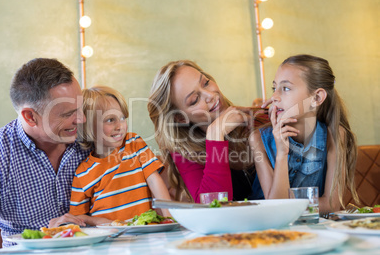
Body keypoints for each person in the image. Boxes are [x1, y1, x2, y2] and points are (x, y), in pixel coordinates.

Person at [0, 58, 90, 255]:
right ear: (30, 116)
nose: (81, 119)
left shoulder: (90, 139)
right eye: (68, 114)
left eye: (80, 108)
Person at [249, 54, 358, 214]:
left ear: (317, 97)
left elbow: (331, 205)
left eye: (285, 88)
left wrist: (290, 205)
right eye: (274, 88)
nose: (274, 97)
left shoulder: (335, 135)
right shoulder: (258, 138)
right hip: (267, 228)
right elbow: (275, 208)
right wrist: (281, 154)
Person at [147, 60, 269, 203]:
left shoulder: (259, 121)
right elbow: (212, 205)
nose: (210, 95)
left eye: (206, 83)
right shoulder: (185, 152)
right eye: (195, 100)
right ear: (180, 118)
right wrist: (216, 135)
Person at [69, 86, 171, 225]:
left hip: (146, 231)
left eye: (122, 118)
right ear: (89, 127)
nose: (120, 126)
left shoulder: (134, 143)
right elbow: (78, 217)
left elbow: (154, 181)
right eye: (110, 120)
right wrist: (103, 223)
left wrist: (169, 217)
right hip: (111, 238)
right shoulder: (82, 173)